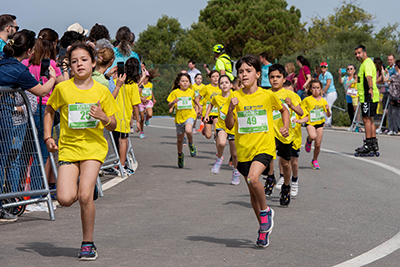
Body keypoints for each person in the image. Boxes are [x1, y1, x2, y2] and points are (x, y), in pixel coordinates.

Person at [43, 42, 118, 260]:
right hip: (68, 149)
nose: (79, 64)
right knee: (65, 198)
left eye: (84, 60)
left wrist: (103, 117)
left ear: (93, 63)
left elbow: (113, 123)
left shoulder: (101, 91)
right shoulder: (62, 89)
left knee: (85, 196)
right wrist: (48, 136)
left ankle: (88, 243)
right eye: (74, 61)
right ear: (70, 66)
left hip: (93, 149)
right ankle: (85, 187)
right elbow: (49, 110)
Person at [222, 54, 290, 248]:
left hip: (264, 147)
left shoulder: (268, 95)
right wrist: (229, 109)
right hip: (244, 150)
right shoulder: (235, 97)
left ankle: (266, 211)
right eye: (241, 71)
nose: (244, 74)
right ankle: (263, 229)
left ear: (258, 74)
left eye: (248, 71)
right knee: (252, 192)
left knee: (254, 178)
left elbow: (284, 110)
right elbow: (229, 124)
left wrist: (285, 127)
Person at [0, 29, 56, 222]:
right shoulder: (18, 71)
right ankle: (2, 206)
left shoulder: (1, 62)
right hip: (5, 118)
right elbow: (40, 91)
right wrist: (53, 79)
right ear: (30, 51)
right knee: (3, 160)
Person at [263, 64, 303, 207]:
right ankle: (270, 177)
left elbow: (301, 112)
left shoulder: (290, 94)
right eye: (272, 77)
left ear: (284, 78)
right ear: (268, 79)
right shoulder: (265, 94)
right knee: (267, 155)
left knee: (286, 164)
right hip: (268, 132)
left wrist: (291, 105)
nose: (275, 80)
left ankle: (286, 187)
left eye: (278, 77)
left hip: (285, 134)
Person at [205, 75, 240, 185]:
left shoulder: (236, 96)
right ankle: (219, 159)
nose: (224, 84)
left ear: (231, 85)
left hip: (234, 128)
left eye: (226, 82)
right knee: (221, 142)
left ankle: (235, 172)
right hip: (221, 126)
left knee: (234, 154)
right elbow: (210, 104)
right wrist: (207, 115)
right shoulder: (217, 98)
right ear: (219, 86)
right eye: (221, 83)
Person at [113, 57, 142, 176]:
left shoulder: (116, 82)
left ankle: (112, 163)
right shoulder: (133, 86)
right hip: (123, 117)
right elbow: (135, 105)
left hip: (112, 116)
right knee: (123, 141)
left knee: (113, 141)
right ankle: (122, 165)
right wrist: (138, 121)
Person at [167, 73, 201, 168]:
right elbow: (169, 105)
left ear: (189, 83)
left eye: (187, 81)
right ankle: (180, 155)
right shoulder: (175, 92)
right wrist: (173, 103)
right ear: (178, 83)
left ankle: (191, 144)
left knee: (189, 130)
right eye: (183, 81)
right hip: (179, 118)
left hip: (190, 115)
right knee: (180, 140)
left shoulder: (191, 91)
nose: (185, 83)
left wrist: (199, 107)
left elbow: (195, 100)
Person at [295, 79, 331, 169]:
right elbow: (301, 110)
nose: (316, 90)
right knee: (313, 136)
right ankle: (309, 141)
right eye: (313, 88)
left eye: (318, 88)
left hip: (320, 123)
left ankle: (314, 160)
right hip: (310, 122)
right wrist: (300, 119)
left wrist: (328, 110)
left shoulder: (323, 101)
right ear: (310, 89)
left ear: (321, 89)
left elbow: (328, 115)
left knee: (318, 144)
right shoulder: (307, 100)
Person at [354, 45, 380, 155]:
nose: (357, 55)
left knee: (366, 120)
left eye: (359, 53)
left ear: (365, 52)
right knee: (370, 119)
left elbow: (369, 77)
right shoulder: (365, 63)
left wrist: (370, 89)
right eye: (356, 54)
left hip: (368, 96)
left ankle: (368, 144)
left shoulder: (367, 63)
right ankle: (373, 143)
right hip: (367, 96)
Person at [282, 80, 303, 197]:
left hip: (295, 136)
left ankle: (294, 180)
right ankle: (282, 178)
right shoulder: (280, 102)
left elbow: (303, 114)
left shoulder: (295, 99)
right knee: (283, 160)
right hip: (284, 135)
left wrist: (292, 106)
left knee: (294, 161)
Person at [197, 70, 220, 139]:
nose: (215, 78)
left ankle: (218, 147)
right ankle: (205, 129)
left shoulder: (222, 87)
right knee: (208, 136)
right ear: (210, 78)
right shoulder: (206, 88)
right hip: (207, 113)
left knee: (217, 133)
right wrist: (199, 107)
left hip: (218, 113)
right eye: (213, 77)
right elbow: (197, 98)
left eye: (217, 76)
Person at [138, 70, 158, 138]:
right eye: (144, 77)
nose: (145, 79)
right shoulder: (140, 85)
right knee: (142, 118)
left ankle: (147, 118)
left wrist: (153, 98)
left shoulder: (150, 84)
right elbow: (136, 94)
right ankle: (142, 132)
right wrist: (141, 99)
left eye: (147, 77)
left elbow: (151, 91)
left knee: (150, 114)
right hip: (141, 102)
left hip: (148, 101)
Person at [319, 62, 337, 127]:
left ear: (326, 67)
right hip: (324, 93)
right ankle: (324, 120)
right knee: (323, 106)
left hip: (331, 93)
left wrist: (323, 92)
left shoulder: (328, 74)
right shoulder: (320, 75)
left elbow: (328, 84)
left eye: (324, 67)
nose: (323, 68)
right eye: (322, 67)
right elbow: (320, 85)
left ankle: (328, 122)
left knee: (328, 106)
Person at [387, 59, 400, 135]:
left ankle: (394, 129)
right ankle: (395, 129)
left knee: (393, 113)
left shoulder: (395, 76)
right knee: (395, 113)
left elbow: (387, 80)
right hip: (398, 96)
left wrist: (385, 73)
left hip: (393, 96)